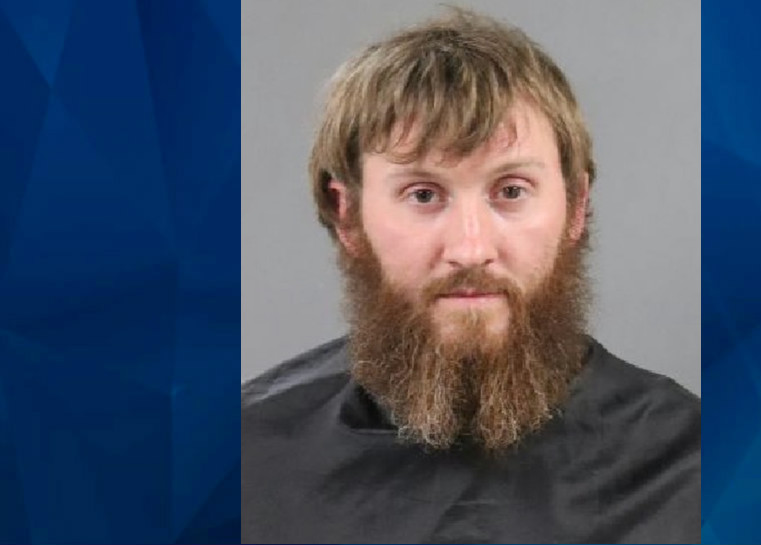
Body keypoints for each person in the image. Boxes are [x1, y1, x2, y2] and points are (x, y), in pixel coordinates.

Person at [241, 8, 700, 544]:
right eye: (423, 195)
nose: (471, 249)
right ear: (348, 216)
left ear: (576, 206)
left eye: (511, 191)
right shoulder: (240, 463)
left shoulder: (697, 468)